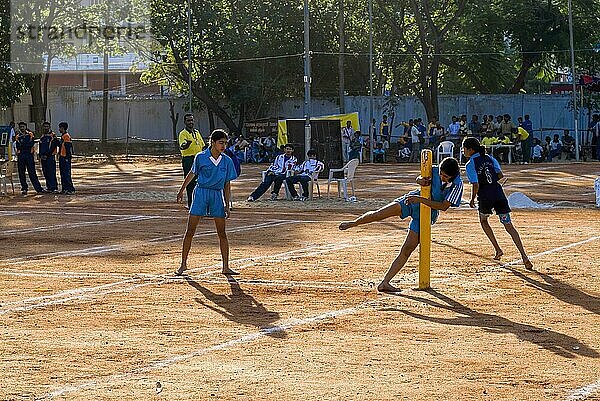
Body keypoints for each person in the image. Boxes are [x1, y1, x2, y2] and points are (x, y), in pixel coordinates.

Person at [339, 157, 463, 292]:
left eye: (445, 176)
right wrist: (419, 180)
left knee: (407, 249)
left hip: (426, 214)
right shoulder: (432, 169)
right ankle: (354, 223)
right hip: (411, 201)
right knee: (379, 214)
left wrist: (421, 200)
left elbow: (443, 206)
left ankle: (385, 282)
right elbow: (419, 178)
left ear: (453, 176)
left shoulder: (457, 185)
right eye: (441, 174)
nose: (441, 177)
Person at [462, 137, 533, 269]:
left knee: (484, 220)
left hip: (485, 196)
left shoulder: (470, 164)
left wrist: (472, 199)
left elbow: (475, 184)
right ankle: (524, 256)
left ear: (470, 150)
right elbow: (500, 175)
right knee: (509, 226)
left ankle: (498, 249)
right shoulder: (489, 158)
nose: (463, 151)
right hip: (498, 193)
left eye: (464, 149)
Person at [175, 129, 239, 276]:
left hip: (216, 195)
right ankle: (183, 264)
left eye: (225, 143)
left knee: (222, 232)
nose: (223, 146)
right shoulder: (201, 157)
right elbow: (192, 173)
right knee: (190, 230)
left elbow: (227, 183)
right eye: (220, 143)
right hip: (201, 193)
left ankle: (225, 266)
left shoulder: (227, 161)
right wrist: (181, 190)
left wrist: (227, 203)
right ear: (213, 142)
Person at [178, 113, 206, 208]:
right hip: (189, 160)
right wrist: (187, 144)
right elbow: (183, 146)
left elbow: (202, 146)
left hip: (199, 159)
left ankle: (200, 203)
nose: (191, 122)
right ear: (185, 122)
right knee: (190, 182)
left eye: (192, 120)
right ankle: (191, 204)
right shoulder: (183, 133)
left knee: (200, 181)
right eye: (188, 120)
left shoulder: (197, 132)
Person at [15, 122, 44, 195]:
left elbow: (31, 144)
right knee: (21, 173)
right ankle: (24, 188)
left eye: (23, 126)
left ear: (26, 127)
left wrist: (24, 146)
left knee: (32, 173)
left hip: (29, 156)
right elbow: (18, 146)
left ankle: (38, 188)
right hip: (21, 156)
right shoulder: (18, 136)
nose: (22, 128)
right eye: (20, 127)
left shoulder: (30, 134)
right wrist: (24, 146)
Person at [38, 121, 60, 193]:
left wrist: (47, 155)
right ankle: (49, 187)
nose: (46, 128)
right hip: (43, 158)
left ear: (49, 127)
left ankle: (54, 187)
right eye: (44, 126)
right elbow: (40, 147)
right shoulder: (42, 136)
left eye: (47, 126)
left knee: (51, 172)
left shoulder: (53, 135)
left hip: (50, 157)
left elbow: (53, 147)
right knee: (45, 172)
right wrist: (41, 155)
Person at [58, 122, 75, 194]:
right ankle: (64, 189)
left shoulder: (66, 136)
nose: (59, 129)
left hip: (65, 157)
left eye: (60, 128)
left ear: (63, 128)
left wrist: (68, 157)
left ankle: (70, 189)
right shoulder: (63, 136)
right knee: (63, 174)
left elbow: (68, 148)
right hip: (62, 157)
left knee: (66, 174)